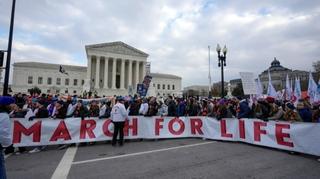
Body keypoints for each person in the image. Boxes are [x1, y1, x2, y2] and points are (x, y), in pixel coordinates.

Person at [0, 96, 16, 179]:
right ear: (7, 105)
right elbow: (3, 132)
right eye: (12, 104)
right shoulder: (3, 115)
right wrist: (8, 145)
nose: (14, 106)